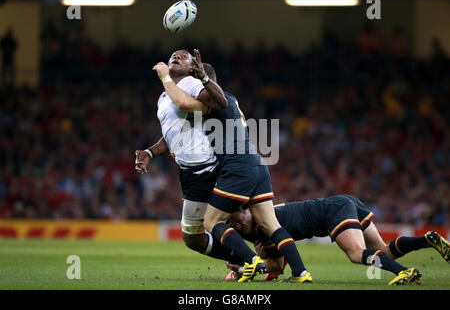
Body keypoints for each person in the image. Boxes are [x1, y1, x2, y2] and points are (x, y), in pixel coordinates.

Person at [153, 57, 311, 283]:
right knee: (271, 224)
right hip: (257, 162)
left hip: (237, 167)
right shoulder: (230, 98)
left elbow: (183, 104)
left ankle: (251, 260)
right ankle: (300, 272)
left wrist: (166, 78)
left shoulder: (211, 102)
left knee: (211, 222)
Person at [135, 49, 241, 265]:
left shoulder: (191, 84)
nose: (176, 57)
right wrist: (150, 152)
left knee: (236, 221)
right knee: (193, 238)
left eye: (183, 56)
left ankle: (260, 257)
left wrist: (184, 76)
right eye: (173, 55)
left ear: (192, 67)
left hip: (206, 166)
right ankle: (239, 259)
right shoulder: (164, 96)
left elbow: (217, 100)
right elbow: (172, 134)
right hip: (190, 173)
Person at [226, 194, 449, 285]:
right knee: (383, 250)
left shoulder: (264, 225)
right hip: (342, 202)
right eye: (235, 226)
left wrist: (248, 266)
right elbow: (275, 265)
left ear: (247, 209)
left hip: (334, 211)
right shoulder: (264, 219)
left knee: (356, 254)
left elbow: (274, 264)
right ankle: (427, 240)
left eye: (239, 219)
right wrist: (253, 266)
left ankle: (403, 271)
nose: (239, 226)